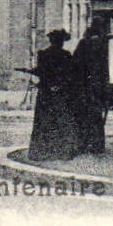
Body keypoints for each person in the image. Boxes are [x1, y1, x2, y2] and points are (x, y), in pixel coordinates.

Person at [24, 30, 80, 161]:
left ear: (51, 41)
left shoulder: (43, 54)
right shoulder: (66, 55)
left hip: (46, 93)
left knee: (44, 122)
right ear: (61, 42)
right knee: (62, 122)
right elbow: (71, 74)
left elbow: (41, 72)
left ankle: (42, 152)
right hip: (61, 93)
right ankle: (62, 152)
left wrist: (30, 71)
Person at [71, 17, 110, 154]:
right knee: (96, 115)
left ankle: (83, 143)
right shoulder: (102, 44)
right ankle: (97, 145)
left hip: (83, 84)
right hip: (96, 85)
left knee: (82, 114)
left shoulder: (83, 43)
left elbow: (75, 63)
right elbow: (104, 68)